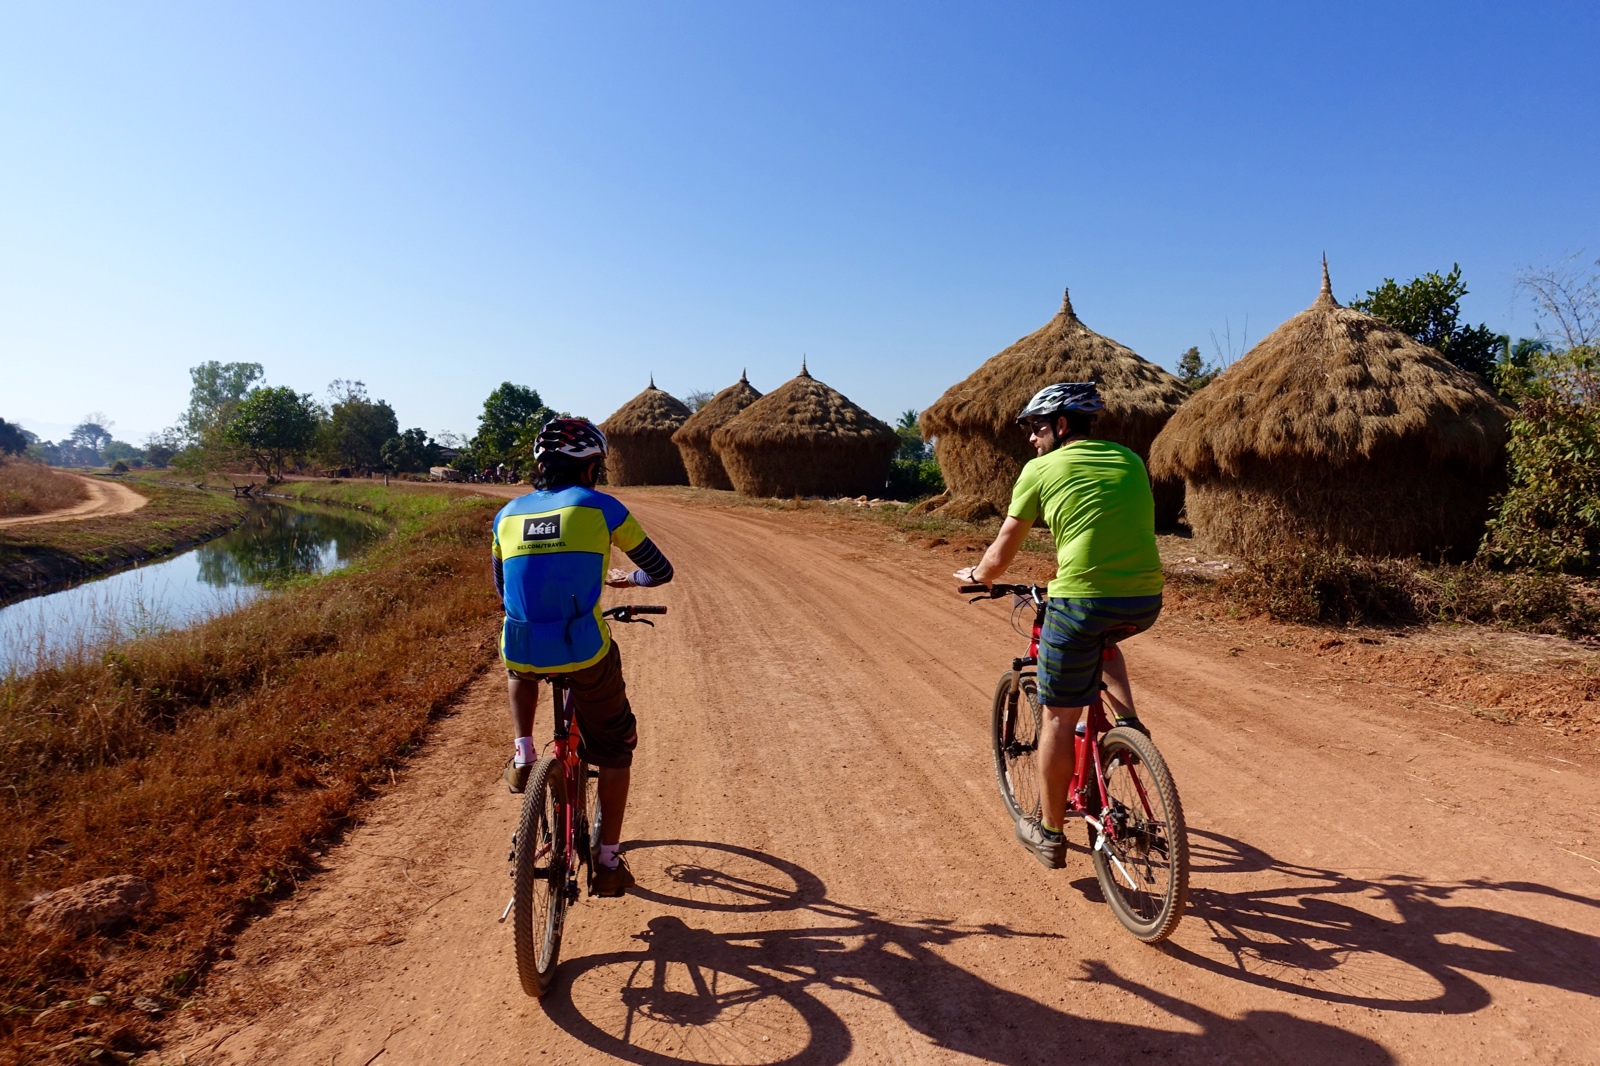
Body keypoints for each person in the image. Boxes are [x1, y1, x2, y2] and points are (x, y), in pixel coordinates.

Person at [955, 382, 1164, 871]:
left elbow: (1002, 550)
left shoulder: (1039, 470)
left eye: (1036, 427)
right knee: (1103, 637)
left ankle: (1049, 832)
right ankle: (1129, 727)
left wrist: (979, 577)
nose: (1031, 438)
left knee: (1057, 719)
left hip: (1080, 602)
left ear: (1062, 425)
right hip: (1145, 599)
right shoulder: (1131, 460)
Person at [491, 417, 675, 897]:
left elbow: (502, 589)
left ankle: (523, 753)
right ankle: (608, 862)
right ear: (592, 467)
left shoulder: (506, 515)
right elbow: (660, 570)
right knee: (615, 747)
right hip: (583, 651)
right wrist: (627, 580)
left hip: (522, 646)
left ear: (541, 466)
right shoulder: (602, 507)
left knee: (520, 666)